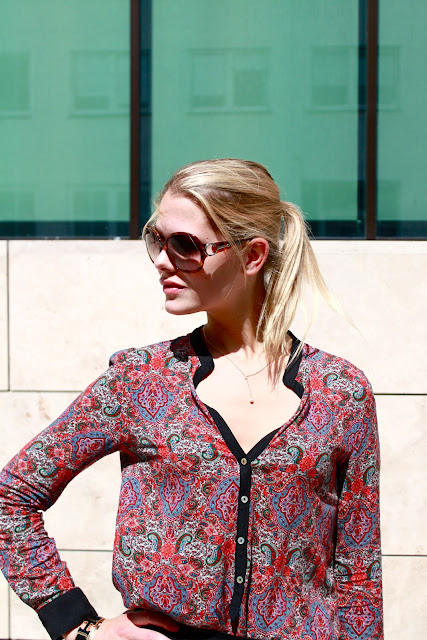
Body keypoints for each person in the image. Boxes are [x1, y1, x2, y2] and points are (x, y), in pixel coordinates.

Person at [0, 159, 383, 640]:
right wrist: (78, 625)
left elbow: (359, 571)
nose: (162, 261)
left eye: (184, 245)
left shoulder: (341, 392)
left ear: (252, 255)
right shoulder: (141, 379)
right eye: (157, 240)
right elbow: (11, 496)